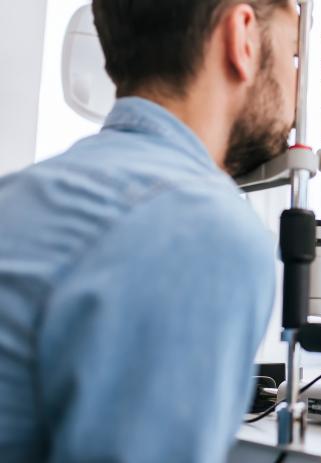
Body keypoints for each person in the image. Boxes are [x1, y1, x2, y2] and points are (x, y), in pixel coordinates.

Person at [0, 1, 297, 461]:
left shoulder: (18, 194)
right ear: (244, 38)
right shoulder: (202, 228)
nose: (296, 88)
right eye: (293, 54)